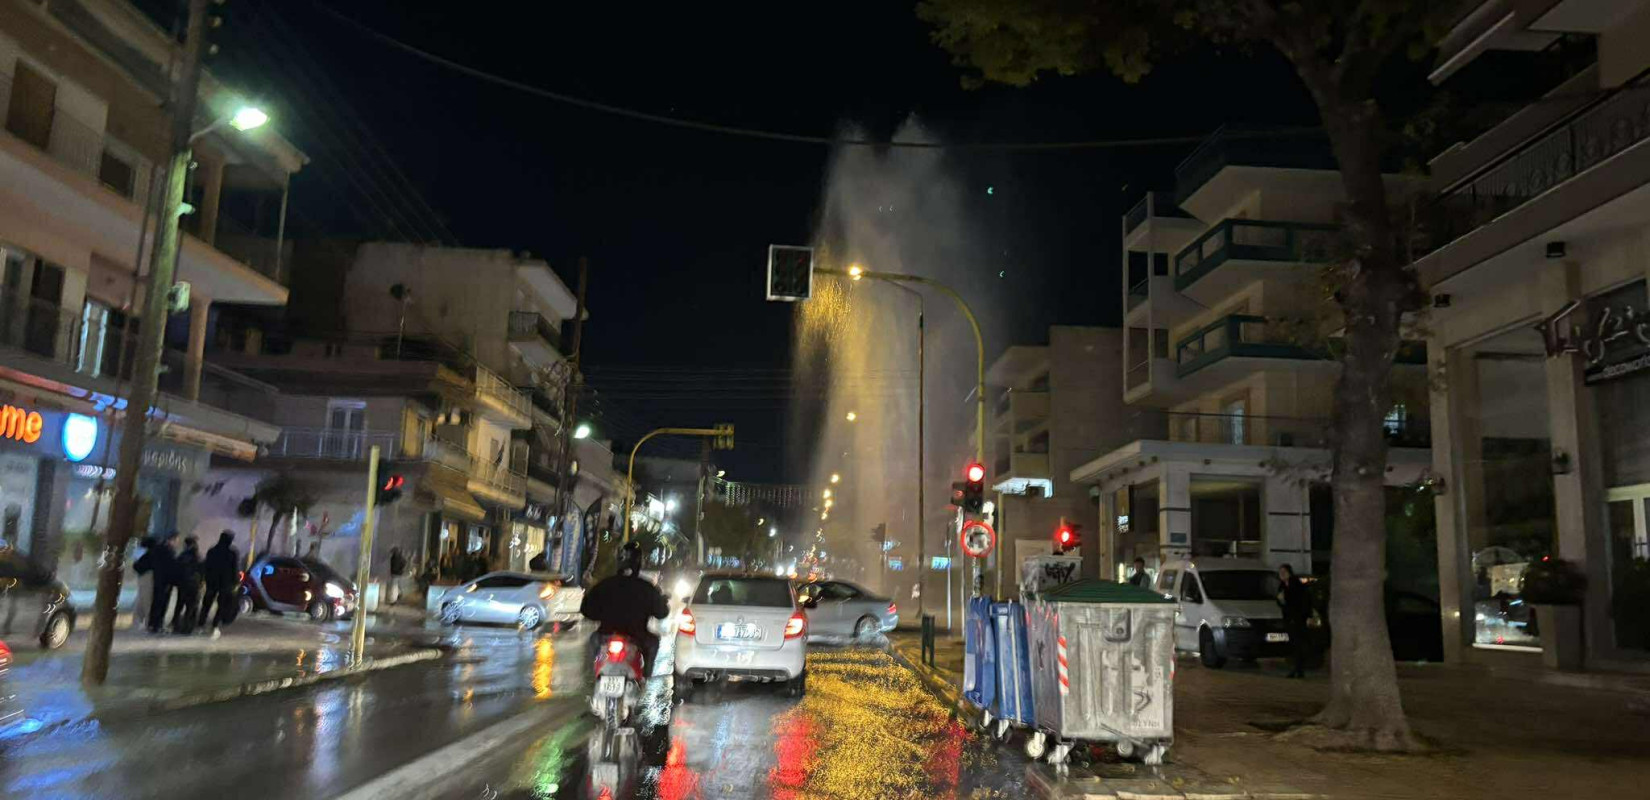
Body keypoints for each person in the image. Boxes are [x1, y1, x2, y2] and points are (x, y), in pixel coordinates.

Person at [580, 542, 669, 678]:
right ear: (639, 562)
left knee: (592, 640)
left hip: (606, 635)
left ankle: (589, 677)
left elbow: (587, 610)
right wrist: (662, 602)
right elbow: (662, 613)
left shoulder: (604, 585)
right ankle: (646, 677)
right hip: (638, 637)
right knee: (654, 642)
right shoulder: (646, 588)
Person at [198, 531, 240, 638]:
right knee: (221, 605)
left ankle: (200, 624)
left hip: (212, 582)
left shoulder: (212, 551)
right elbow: (234, 569)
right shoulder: (232, 553)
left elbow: (206, 566)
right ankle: (214, 625)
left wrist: (205, 579)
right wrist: (235, 582)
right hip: (225, 583)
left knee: (206, 604)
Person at [134, 532, 179, 634]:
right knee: (162, 604)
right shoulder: (167, 552)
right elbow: (173, 567)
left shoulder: (151, 553)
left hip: (156, 582)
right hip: (166, 582)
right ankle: (157, 625)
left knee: (155, 604)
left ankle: (153, 625)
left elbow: (138, 566)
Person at [1277, 563, 1312, 678]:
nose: (1282, 574)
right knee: (1293, 644)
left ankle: (1299, 669)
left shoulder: (1296, 584)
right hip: (1289, 618)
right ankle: (1296, 668)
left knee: (1299, 643)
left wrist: (1307, 616)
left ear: (1289, 572)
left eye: (1284, 572)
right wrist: (1281, 601)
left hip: (1298, 618)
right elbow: (1280, 601)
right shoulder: (1282, 586)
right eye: (1280, 572)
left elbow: (1304, 601)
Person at [172, 535, 202, 635]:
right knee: (191, 607)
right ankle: (188, 627)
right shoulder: (197, 556)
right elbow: (201, 570)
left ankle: (176, 625)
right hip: (194, 585)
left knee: (179, 605)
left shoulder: (182, 556)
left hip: (183, 585)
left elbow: (176, 569)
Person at [130, 536, 156, 630]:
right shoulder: (149, 554)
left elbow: (135, 565)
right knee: (147, 601)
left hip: (141, 578)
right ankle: (149, 623)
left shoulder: (139, 553)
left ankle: (136, 622)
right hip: (148, 577)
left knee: (141, 600)